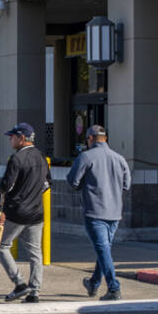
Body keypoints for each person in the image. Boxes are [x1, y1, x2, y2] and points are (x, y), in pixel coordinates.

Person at [67, 125, 130, 300]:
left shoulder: (86, 157)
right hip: (115, 211)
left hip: (95, 211)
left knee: (103, 250)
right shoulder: (119, 158)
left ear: (90, 139)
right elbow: (127, 185)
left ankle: (113, 287)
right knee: (104, 249)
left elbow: (72, 181)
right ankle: (94, 283)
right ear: (106, 139)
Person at [0, 122, 49, 302]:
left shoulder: (16, 159)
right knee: (35, 252)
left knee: (0, 245)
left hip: (17, 211)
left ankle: (19, 283)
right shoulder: (41, 157)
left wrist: (0, 208)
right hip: (36, 212)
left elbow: (6, 187)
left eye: (13, 136)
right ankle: (35, 291)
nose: (10, 139)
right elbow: (47, 184)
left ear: (22, 138)